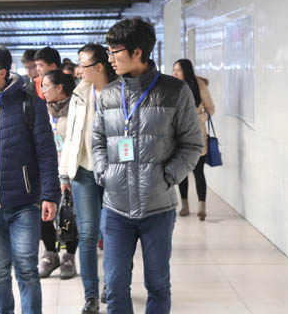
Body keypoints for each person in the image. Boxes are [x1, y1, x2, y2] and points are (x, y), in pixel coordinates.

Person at [93, 17, 203, 314]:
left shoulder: (175, 91)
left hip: (158, 208)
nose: (110, 58)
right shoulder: (108, 94)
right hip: (115, 208)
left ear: (137, 52)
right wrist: (104, 173)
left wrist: (167, 177)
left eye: (114, 52)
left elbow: (193, 144)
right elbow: (98, 141)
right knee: (115, 285)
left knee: (157, 283)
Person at [0, 44, 60, 314]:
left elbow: (46, 154)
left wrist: (49, 195)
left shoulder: (30, 105)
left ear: (2, 72)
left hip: (24, 202)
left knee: (26, 268)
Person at [60, 43, 117, 314]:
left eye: (83, 65)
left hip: (114, 173)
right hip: (82, 171)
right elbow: (71, 136)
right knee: (87, 234)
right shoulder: (79, 94)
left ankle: (112, 285)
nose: (79, 70)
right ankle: (91, 295)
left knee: (113, 232)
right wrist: (64, 173)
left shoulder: (120, 92)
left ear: (100, 67)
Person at [39, 69, 79, 280]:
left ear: (60, 88)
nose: (43, 90)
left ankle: (69, 257)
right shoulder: (42, 110)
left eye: (46, 86)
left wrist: (67, 174)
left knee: (68, 214)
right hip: (47, 170)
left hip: (70, 170)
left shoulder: (76, 109)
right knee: (44, 213)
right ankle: (50, 254)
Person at [172, 58, 215, 221]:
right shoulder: (172, 87)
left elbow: (211, 108)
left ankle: (202, 207)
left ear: (186, 71)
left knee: (198, 171)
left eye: (178, 70)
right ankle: (184, 205)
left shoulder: (199, 86)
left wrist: (199, 118)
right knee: (182, 172)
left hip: (198, 134)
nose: (175, 73)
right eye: (174, 70)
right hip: (178, 135)